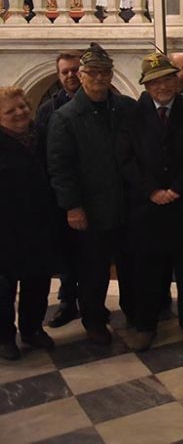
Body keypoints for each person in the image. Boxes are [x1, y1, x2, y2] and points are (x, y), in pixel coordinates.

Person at [117, 53, 183, 352]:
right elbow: (126, 159)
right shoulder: (131, 114)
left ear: (177, 80)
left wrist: (178, 188)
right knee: (147, 270)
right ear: (146, 86)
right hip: (148, 207)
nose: (163, 86)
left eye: (168, 78)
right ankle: (145, 326)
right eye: (155, 81)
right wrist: (152, 191)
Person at [47, 43, 136, 345]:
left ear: (111, 75)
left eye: (105, 72)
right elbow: (60, 167)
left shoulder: (126, 108)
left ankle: (133, 312)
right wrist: (72, 207)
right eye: (93, 72)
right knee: (93, 270)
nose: (99, 78)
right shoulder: (66, 117)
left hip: (126, 202)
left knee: (130, 263)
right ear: (82, 76)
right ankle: (94, 319)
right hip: (92, 207)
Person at [0, 87, 57, 360]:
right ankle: (3, 338)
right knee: (3, 288)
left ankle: (32, 329)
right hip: (5, 229)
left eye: (22, 106)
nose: (20, 113)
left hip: (39, 223)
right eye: (10, 111)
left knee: (37, 281)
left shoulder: (41, 135)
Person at [35, 51, 82, 329]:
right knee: (66, 252)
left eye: (75, 70)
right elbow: (42, 153)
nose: (70, 75)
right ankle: (68, 301)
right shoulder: (48, 110)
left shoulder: (103, 103)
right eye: (65, 71)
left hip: (94, 191)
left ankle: (91, 304)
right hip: (62, 194)